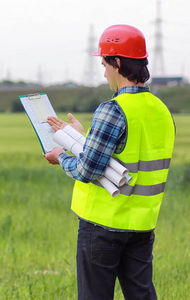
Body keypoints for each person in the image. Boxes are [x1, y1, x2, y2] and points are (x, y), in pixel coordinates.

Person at [43, 24, 175, 300]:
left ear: (117, 62)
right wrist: (82, 136)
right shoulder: (162, 111)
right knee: (141, 296)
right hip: (141, 226)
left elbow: (88, 169)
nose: (103, 72)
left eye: (104, 64)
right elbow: (129, 152)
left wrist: (61, 156)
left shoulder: (112, 109)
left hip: (102, 227)